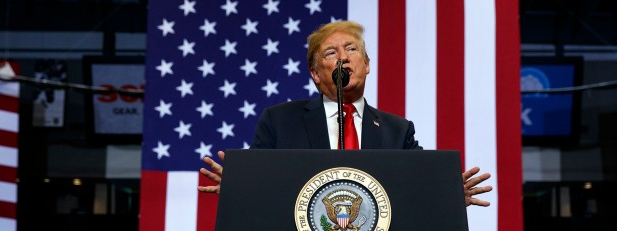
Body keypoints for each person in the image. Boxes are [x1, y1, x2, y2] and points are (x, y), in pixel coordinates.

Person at [198, 20, 493, 208]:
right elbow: (261, 180)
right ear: (315, 73)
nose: (342, 57)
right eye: (330, 53)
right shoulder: (280, 120)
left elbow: (415, 187)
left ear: (366, 64)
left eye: (351, 49)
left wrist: (448, 196)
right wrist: (241, 185)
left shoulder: (397, 130)